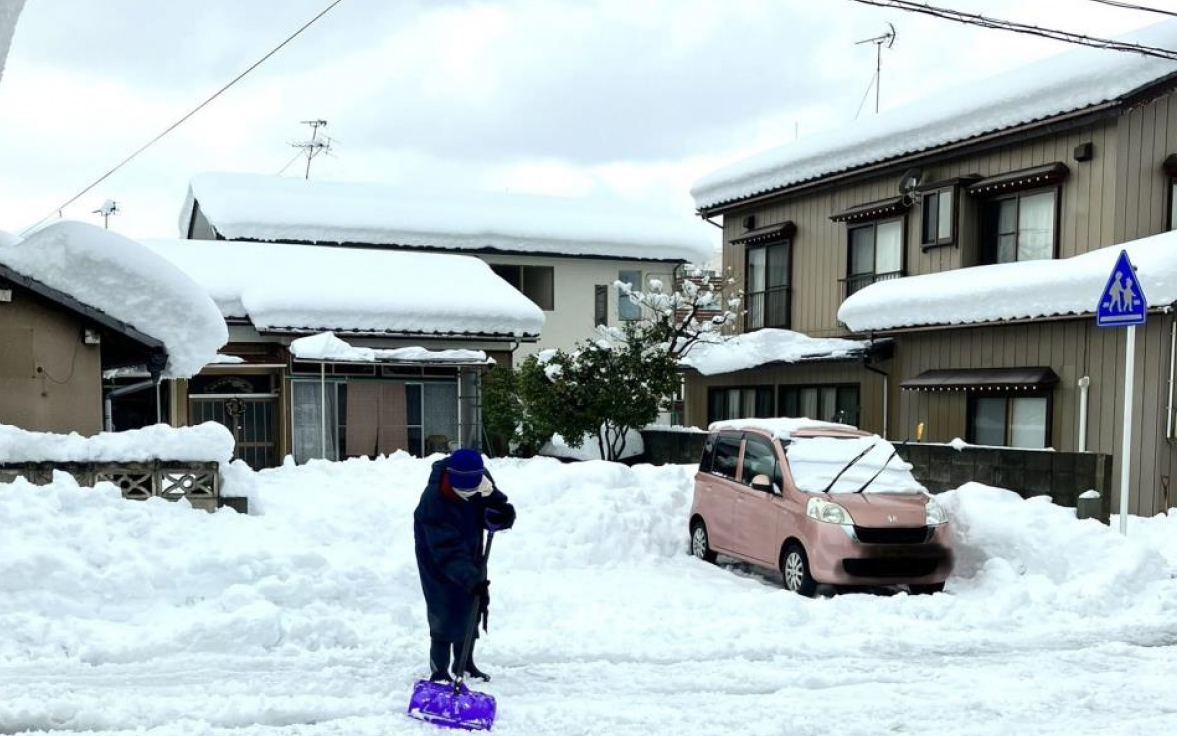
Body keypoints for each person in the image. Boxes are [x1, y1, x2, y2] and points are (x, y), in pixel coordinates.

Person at [413, 448, 516, 684]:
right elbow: (446, 548)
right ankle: (439, 671)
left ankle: (465, 664)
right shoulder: (433, 499)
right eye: (465, 490)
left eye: (473, 488)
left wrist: (503, 514)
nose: (470, 493)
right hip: (436, 558)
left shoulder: (480, 479)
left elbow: (495, 503)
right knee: (443, 611)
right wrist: (471, 578)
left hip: (471, 551)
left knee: (471, 606)